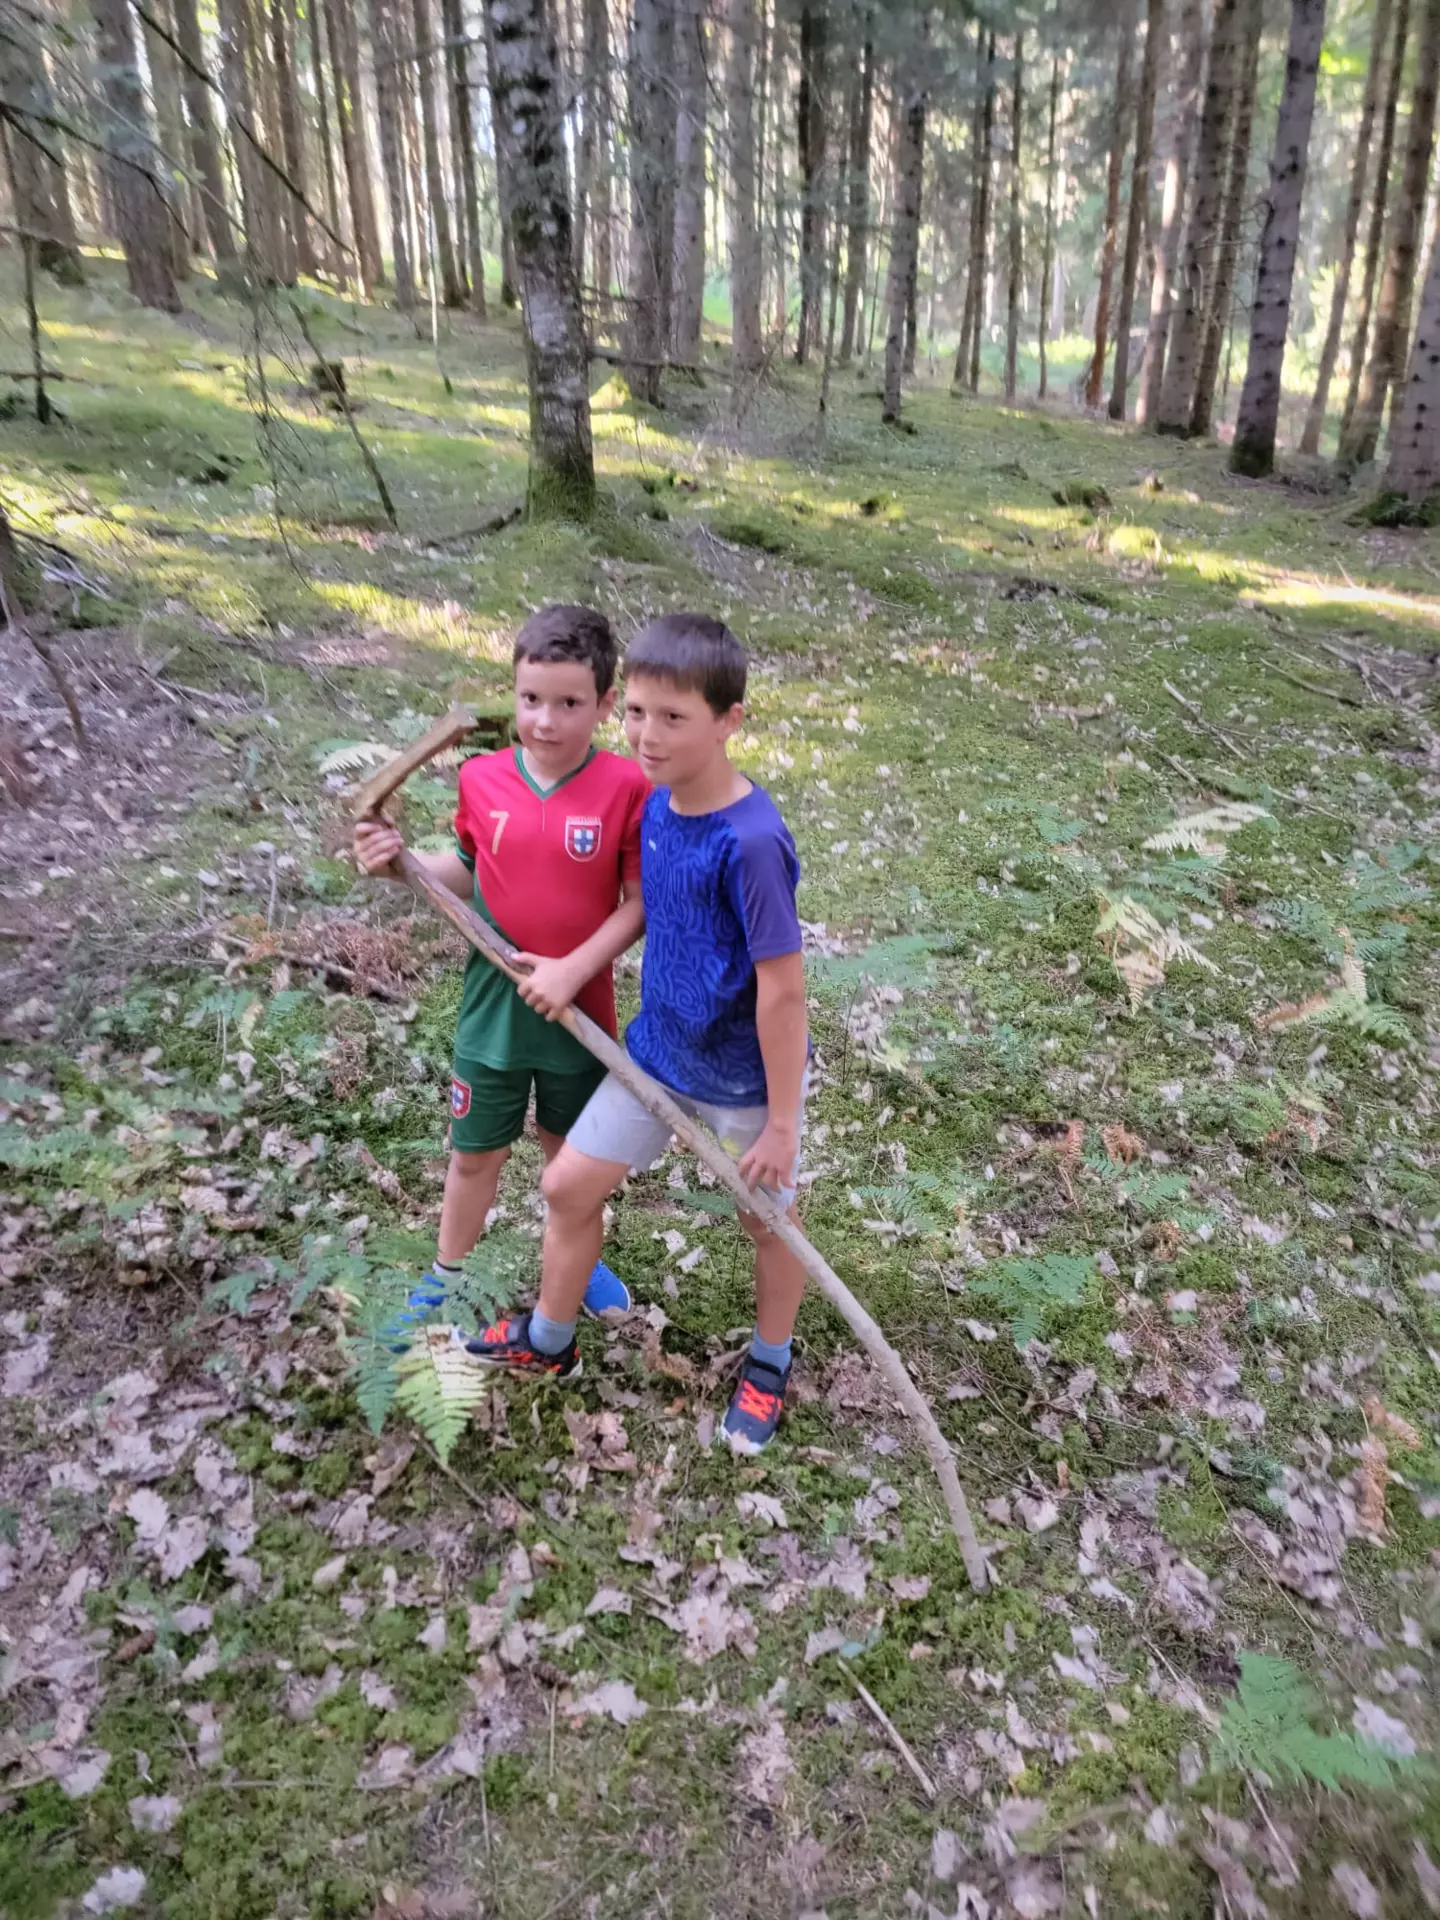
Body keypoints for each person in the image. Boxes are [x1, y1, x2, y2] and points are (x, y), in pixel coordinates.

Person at [467, 613, 810, 1455]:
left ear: (730, 720)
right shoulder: (656, 807)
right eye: (637, 714)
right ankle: (551, 1341)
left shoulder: (752, 842)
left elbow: (783, 992)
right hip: (655, 1057)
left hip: (743, 1082)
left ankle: (770, 1362)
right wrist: (568, 962)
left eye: (674, 718)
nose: (648, 736)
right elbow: (645, 907)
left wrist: (780, 1122)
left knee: (768, 1225)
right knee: (566, 1187)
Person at [352, 605, 650, 1332]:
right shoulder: (482, 778)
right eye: (530, 699)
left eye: (569, 703)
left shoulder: (626, 788)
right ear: (513, 693)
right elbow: (464, 869)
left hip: (579, 1010)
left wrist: (572, 970)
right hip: (493, 1007)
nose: (545, 720)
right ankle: (447, 1273)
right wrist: (398, 864)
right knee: (473, 1155)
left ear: (605, 704)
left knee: (568, 1159)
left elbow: (639, 904)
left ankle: (579, 1262)